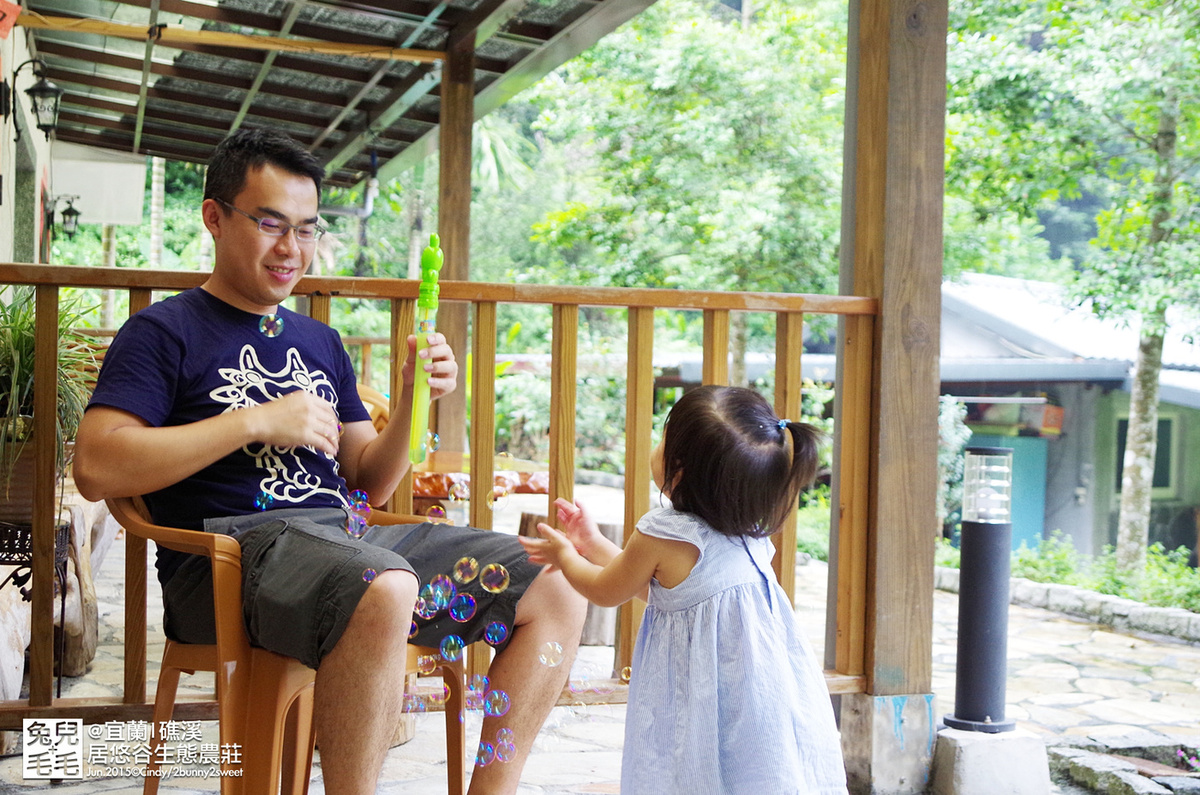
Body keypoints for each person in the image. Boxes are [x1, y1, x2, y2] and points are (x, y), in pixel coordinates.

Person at [73, 127, 587, 795]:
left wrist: (409, 398)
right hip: (230, 561)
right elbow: (96, 466)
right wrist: (255, 421)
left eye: (307, 229)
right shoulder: (164, 331)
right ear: (213, 218)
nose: (291, 248)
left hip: (345, 543)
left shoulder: (320, 341)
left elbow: (368, 476)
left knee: (558, 584)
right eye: (269, 224)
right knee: (384, 584)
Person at [519, 385, 849, 794]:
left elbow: (608, 590)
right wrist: (589, 541)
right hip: (760, 689)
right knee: (750, 773)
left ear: (678, 470)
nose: (655, 445)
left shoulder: (664, 532)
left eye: (663, 438)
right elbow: (661, 587)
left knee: (693, 771)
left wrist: (565, 555)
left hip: (702, 690)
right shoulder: (746, 530)